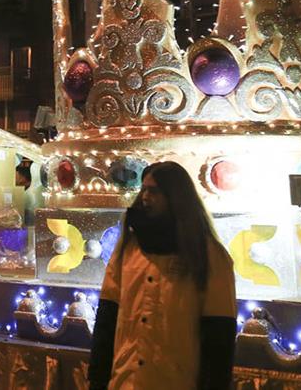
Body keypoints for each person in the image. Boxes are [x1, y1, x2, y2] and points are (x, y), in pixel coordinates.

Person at [89, 161, 236, 390]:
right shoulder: (127, 248)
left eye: (154, 191)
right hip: (126, 379)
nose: (146, 197)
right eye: (144, 190)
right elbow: (108, 317)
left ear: (176, 197)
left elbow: (219, 335)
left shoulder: (208, 254)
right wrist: (98, 379)